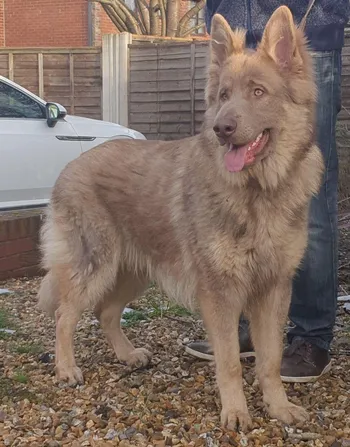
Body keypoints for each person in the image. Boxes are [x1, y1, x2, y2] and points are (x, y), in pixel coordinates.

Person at [185, 0, 350, 383]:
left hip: (308, 29)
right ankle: (246, 325)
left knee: (311, 198)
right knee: (239, 196)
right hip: (235, 23)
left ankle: (310, 335)